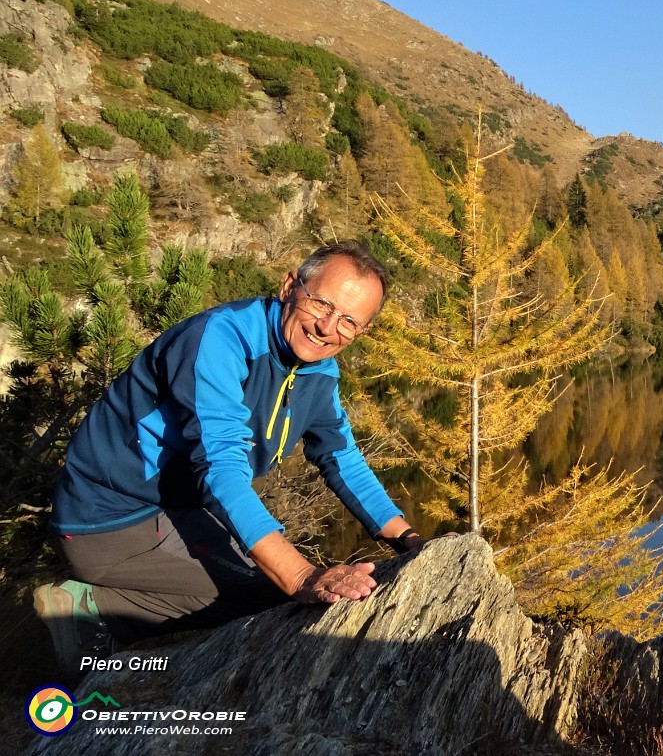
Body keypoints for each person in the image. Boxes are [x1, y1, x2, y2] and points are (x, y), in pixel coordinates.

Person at [34, 241, 425, 671]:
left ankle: (118, 606)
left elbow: (341, 458)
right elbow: (222, 469)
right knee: (272, 590)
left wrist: (409, 541)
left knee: (264, 581)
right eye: (321, 304)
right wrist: (300, 577)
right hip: (109, 517)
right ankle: (90, 611)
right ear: (290, 286)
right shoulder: (221, 340)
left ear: (362, 330)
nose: (328, 327)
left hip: (178, 508)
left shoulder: (318, 370)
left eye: (350, 321)